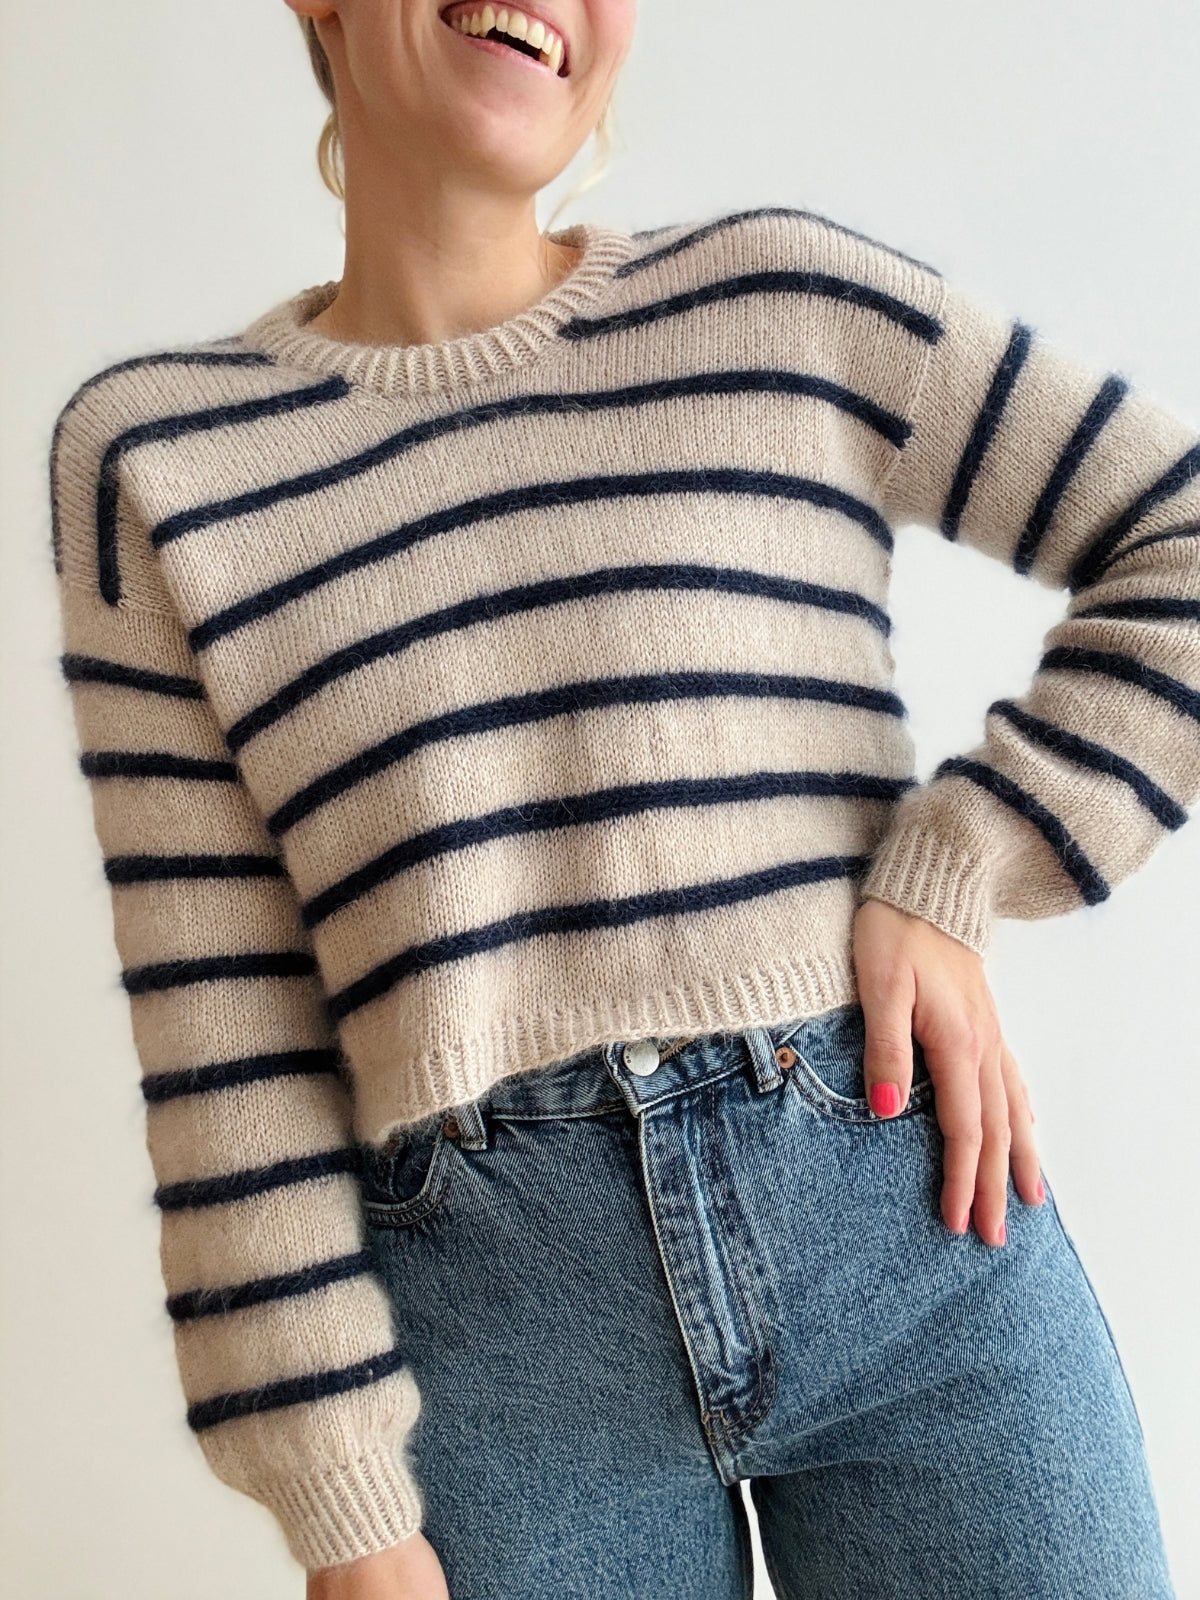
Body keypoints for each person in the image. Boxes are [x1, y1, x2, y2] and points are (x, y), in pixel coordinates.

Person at [48, 1, 1196, 1595]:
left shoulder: (782, 301)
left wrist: (961, 867)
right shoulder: (158, 462)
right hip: (493, 1360)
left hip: (912, 1234)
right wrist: (343, 1510)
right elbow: (220, 1035)